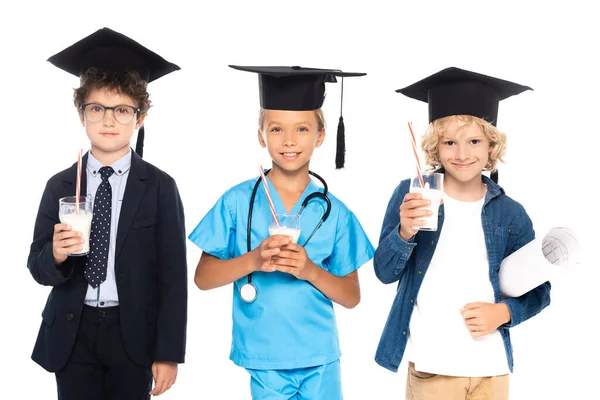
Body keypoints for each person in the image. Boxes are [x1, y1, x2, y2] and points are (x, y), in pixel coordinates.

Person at [188, 65, 375, 399]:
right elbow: (203, 278)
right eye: (276, 129)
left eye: (302, 129)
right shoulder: (237, 201)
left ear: (320, 135)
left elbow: (351, 296)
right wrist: (253, 260)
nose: (289, 140)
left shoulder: (336, 213)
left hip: (319, 357)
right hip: (264, 357)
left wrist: (309, 270)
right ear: (261, 135)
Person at [27, 27, 187, 399]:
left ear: (140, 116)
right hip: (72, 331)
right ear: (81, 113)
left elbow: (172, 276)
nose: (109, 120)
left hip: (132, 334)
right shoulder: (61, 186)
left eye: (122, 110)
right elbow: (37, 266)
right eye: (97, 109)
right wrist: (55, 253)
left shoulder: (161, 187)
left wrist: (168, 353)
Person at [373, 67, 551, 400]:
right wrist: (405, 232)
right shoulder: (411, 195)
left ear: (490, 145)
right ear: (435, 147)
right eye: (449, 142)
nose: (462, 153)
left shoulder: (511, 213)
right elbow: (384, 272)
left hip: (490, 370)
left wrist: (504, 312)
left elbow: (540, 289)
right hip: (433, 366)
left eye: (474, 141)